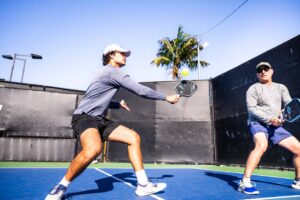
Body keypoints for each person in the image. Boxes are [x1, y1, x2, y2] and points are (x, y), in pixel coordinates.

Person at [45, 44, 180, 200]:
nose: (125, 56)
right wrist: (166, 97)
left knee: (133, 137)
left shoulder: (105, 74)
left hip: (99, 119)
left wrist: (117, 104)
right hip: (85, 117)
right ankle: (59, 188)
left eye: (125, 54)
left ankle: (143, 185)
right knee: (93, 150)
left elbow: (96, 99)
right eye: (121, 53)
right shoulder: (112, 72)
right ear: (111, 55)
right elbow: (140, 90)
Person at [238, 61, 300, 195]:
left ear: (272, 71)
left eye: (266, 69)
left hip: (276, 126)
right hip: (257, 123)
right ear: (257, 74)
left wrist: (283, 115)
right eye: (260, 70)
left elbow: (289, 105)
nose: (263, 72)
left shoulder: (281, 88)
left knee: (299, 150)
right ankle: (245, 182)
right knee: (261, 145)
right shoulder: (253, 89)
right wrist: (270, 118)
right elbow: (252, 109)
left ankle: (298, 181)